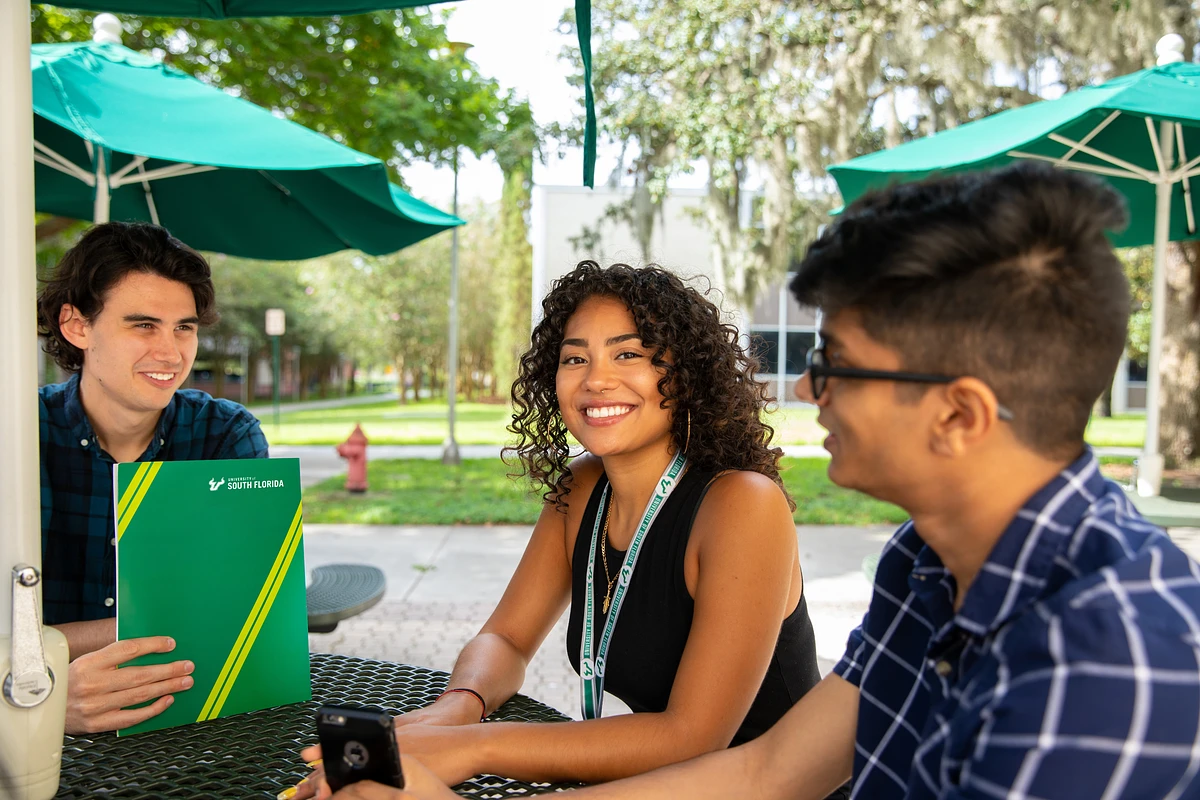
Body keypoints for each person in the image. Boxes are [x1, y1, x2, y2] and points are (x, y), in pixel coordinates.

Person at [326, 162, 1200, 800]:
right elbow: (769, 769)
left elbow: (717, 748)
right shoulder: (924, 563)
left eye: (838, 366)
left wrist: (477, 756)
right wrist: (465, 750)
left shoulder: (1108, 661)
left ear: (959, 415)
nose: (812, 390)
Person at [291, 262, 844, 799]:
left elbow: (691, 737)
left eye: (628, 354)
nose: (596, 379)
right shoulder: (583, 489)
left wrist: (473, 747)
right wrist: (457, 706)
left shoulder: (743, 505)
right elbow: (505, 639)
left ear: (687, 375)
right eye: (574, 358)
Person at [38, 221, 268, 734]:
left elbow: (245, 615)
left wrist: (43, 648)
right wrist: (46, 694)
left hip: (195, 721)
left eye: (183, 327)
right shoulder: (19, 439)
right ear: (77, 326)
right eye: (143, 325)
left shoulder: (226, 434)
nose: (171, 353)